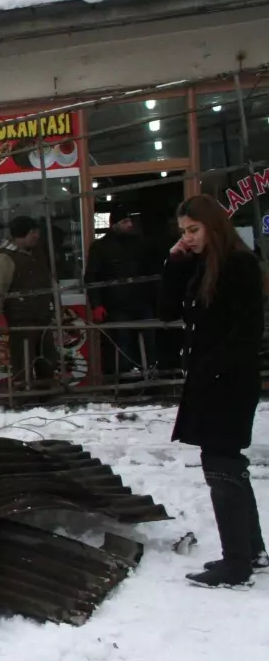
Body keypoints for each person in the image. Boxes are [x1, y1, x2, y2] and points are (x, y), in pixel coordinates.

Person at [158, 194, 267, 588]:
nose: (187, 237)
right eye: (183, 231)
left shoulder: (238, 264)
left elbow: (247, 331)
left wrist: (217, 372)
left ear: (213, 226)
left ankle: (236, 562)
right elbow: (167, 311)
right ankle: (251, 552)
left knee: (221, 465)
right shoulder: (199, 263)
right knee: (226, 464)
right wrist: (176, 261)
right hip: (209, 379)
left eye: (193, 229)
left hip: (229, 382)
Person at [86, 210, 158, 377]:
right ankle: (125, 382)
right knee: (121, 344)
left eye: (130, 221)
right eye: (125, 221)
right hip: (116, 305)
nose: (130, 225)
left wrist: (155, 298)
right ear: (114, 224)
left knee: (148, 344)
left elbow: (151, 272)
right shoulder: (100, 247)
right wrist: (96, 304)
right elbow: (92, 277)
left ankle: (150, 379)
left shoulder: (140, 244)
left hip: (141, 302)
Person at [0, 216, 55, 389]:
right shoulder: (4, 258)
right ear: (23, 234)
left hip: (42, 316)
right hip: (21, 319)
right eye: (33, 233)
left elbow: (48, 280)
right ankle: (24, 400)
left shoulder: (36, 252)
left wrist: (54, 306)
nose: (36, 236)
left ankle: (47, 397)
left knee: (47, 361)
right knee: (23, 363)